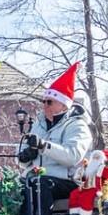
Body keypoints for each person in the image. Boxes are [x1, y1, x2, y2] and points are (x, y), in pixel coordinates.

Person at [18, 63, 93, 197]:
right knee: (5, 188)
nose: (45, 106)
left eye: (50, 102)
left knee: (38, 186)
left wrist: (44, 146)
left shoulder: (77, 126)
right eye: (44, 101)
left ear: (64, 105)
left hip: (65, 180)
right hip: (35, 177)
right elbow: (21, 159)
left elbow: (72, 157)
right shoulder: (38, 124)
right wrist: (25, 156)